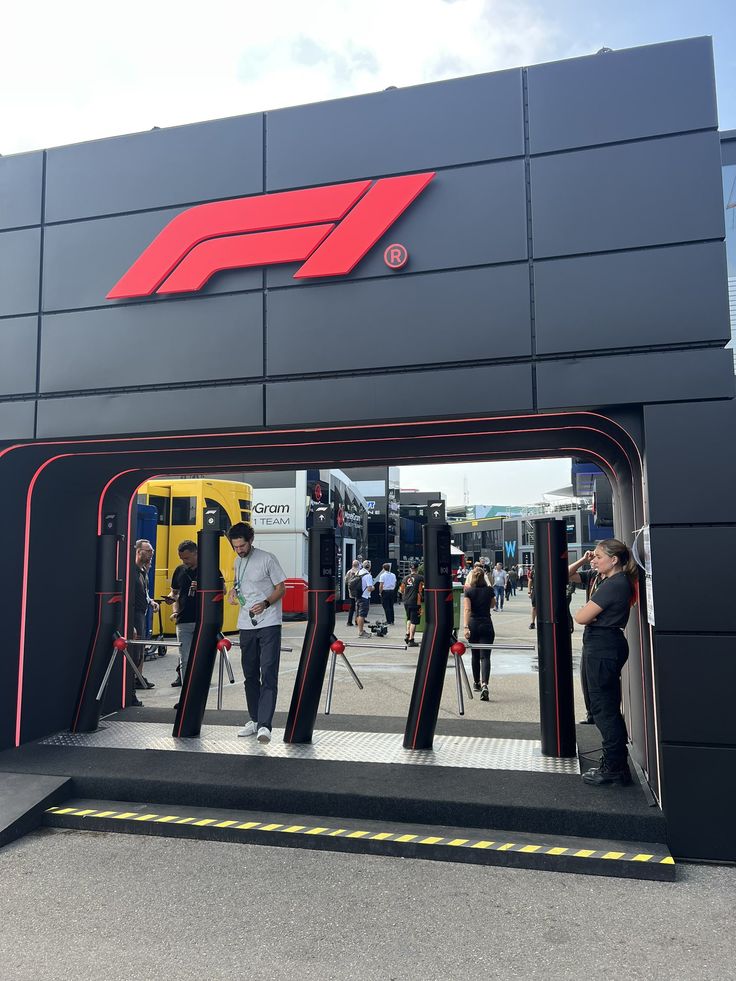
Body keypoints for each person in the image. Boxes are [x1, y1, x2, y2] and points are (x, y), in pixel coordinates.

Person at [569, 539, 638, 786]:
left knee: (603, 708)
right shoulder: (605, 579)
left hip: (604, 645)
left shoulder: (615, 584)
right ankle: (616, 764)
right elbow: (564, 574)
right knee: (601, 704)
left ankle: (614, 767)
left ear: (614, 559)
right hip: (601, 644)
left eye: (598, 556)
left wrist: (588, 612)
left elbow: (581, 617)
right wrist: (584, 559)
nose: (594, 560)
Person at [227, 522, 286, 744]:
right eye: (236, 547)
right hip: (245, 624)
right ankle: (254, 719)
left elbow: (282, 588)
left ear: (250, 541)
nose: (239, 550)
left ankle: (265, 725)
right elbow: (240, 584)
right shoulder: (236, 561)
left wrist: (265, 603)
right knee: (250, 674)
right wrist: (233, 592)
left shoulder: (267, 558)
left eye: (242, 545)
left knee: (268, 672)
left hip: (269, 622)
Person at [166, 540, 200, 696]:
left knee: (199, 659)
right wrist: (171, 600)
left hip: (202, 620)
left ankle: (198, 690)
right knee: (184, 658)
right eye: (181, 558)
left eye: (186, 558)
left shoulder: (208, 569)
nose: (184, 562)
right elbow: (175, 593)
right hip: (183, 620)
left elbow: (223, 590)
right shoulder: (179, 570)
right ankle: (186, 694)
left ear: (195, 553)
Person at [462, 565, 496, 701]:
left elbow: (467, 610)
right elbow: (493, 605)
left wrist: (465, 627)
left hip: (474, 624)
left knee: (475, 655)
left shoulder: (469, 592)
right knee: (485, 656)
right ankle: (485, 684)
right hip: (487, 624)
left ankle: (476, 682)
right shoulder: (489, 590)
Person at [131, 540, 158, 701]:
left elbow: (144, 592)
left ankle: (137, 679)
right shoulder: (132, 571)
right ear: (138, 551)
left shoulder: (143, 571)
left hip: (142, 612)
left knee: (140, 650)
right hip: (134, 615)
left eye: (152, 551)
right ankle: (132, 686)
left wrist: (150, 601)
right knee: (134, 650)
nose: (151, 554)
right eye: (148, 551)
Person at [399, 562, 424, 647]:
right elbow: (425, 588)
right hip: (415, 601)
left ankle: (407, 634)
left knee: (409, 618)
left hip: (406, 601)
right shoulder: (420, 578)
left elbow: (401, 590)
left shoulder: (405, 578)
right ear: (417, 568)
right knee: (414, 621)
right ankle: (411, 639)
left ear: (410, 569)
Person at [355, 560, 374, 638]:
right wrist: (374, 587)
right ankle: (361, 631)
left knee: (358, 614)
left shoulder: (358, 572)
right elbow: (369, 588)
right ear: (369, 567)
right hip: (364, 596)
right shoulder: (368, 575)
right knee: (362, 615)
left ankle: (360, 630)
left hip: (357, 595)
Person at [344, 560, 360, 627]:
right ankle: (357, 621)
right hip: (358, 591)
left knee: (352, 606)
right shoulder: (359, 572)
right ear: (358, 565)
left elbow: (346, 581)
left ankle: (349, 621)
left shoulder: (349, 572)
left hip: (351, 591)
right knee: (358, 606)